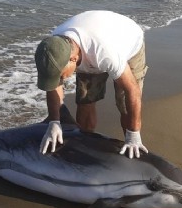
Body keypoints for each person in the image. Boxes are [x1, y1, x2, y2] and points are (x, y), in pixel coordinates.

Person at [35, 10, 149, 159]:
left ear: (73, 59)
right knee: (85, 101)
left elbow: (131, 90)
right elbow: (53, 84)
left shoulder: (105, 53)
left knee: (125, 105)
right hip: (91, 45)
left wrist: (133, 134)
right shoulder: (53, 49)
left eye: (61, 75)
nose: (60, 79)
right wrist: (54, 121)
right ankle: (85, 146)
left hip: (128, 42)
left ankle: (130, 151)